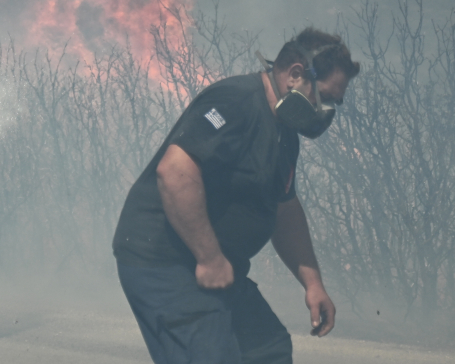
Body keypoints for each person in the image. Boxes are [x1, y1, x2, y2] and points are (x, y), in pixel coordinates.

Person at [113, 28, 360, 364]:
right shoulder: (235, 102)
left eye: (334, 103)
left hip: (217, 265)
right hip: (166, 263)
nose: (325, 110)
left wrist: (313, 285)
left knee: (268, 351)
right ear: (296, 74)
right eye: (325, 96)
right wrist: (209, 258)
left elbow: (285, 209)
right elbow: (174, 172)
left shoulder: (285, 133)